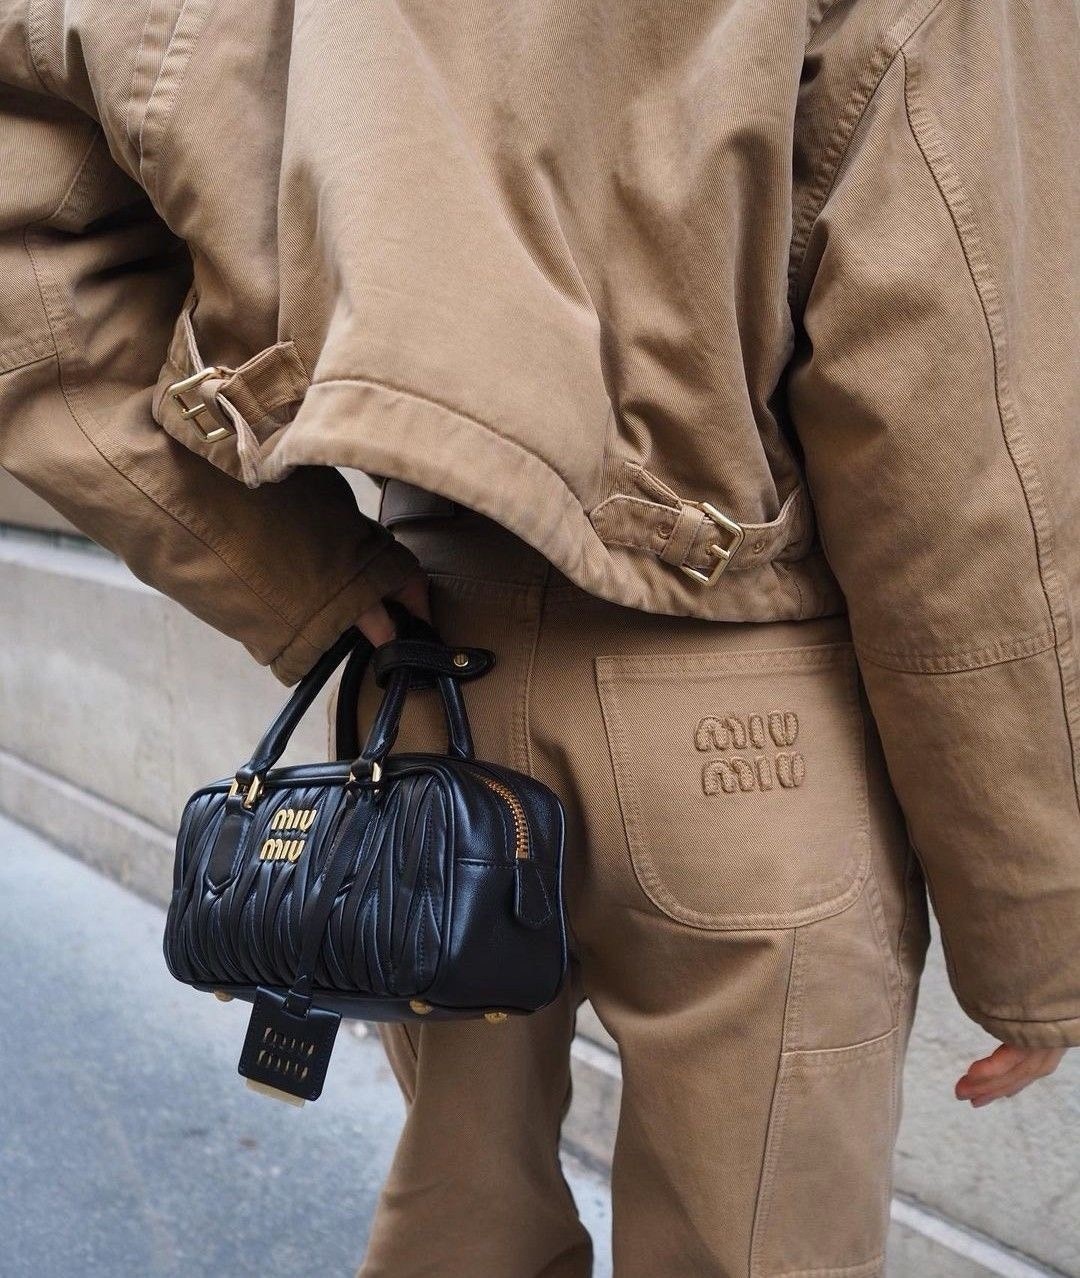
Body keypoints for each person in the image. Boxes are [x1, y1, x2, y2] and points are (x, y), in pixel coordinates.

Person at [0, 2, 1075, 1274]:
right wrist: (1032, 931)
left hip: (427, 681)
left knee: (462, 1230)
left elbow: (31, 265)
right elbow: (963, 442)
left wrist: (291, 567)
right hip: (744, 710)